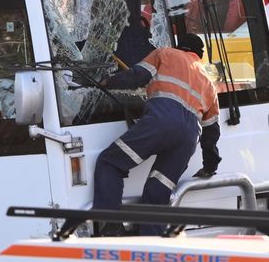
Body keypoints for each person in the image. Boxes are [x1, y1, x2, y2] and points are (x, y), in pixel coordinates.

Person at [92, 33, 220, 235]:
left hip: (161, 122)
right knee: (158, 191)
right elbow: (211, 131)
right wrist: (210, 165)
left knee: (110, 163)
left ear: (179, 47)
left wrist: (108, 82)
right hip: (188, 139)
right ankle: (152, 245)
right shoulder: (208, 83)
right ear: (200, 55)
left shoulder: (166, 54)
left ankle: (111, 227)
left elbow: (137, 76)